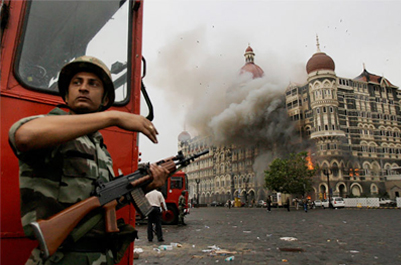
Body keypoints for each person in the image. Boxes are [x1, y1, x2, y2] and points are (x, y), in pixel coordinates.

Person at [8, 56, 169, 265]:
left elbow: (102, 202)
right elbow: (23, 136)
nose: (83, 88)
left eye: (93, 84)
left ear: (104, 99)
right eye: (77, 82)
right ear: (66, 95)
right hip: (65, 258)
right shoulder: (53, 129)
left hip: (101, 257)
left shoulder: (100, 149)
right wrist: (114, 117)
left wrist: (146, 186)